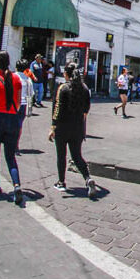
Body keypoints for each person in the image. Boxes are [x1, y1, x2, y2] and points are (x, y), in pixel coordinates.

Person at [49, 62, 98, 197]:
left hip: (62, 127)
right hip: (78, 127)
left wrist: (53, 127)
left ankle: (61, 182)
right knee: (77, 156)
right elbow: (86, 111)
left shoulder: (63, 88)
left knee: (61, 155)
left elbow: (57, 110)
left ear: (66, 74)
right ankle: (88, 179)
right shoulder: (85, 89)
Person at [0, 51, 24, 204]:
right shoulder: (16, 78)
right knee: (10, 156)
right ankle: (17, 185)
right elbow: (19, 103)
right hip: (13, 118)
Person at [14, 58, 34, 150]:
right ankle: (16, 144)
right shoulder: (28, 79)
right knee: (19, 125)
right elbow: (31, 94)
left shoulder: (12, 77)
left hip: (12, 104)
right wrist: (30, 108)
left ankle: (10, 142)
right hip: (23, 104)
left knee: (10, 123)